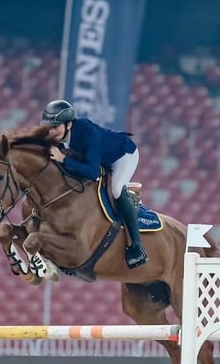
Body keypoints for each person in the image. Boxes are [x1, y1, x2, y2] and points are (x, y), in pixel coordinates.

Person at [41, 99, 148, 269]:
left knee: (116, 189)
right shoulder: (57, 135)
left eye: (55, 127)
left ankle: (136, 247)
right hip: (99, 160)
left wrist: (63, 159)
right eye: (49, 127)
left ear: (69, 125)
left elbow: (93, 173)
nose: (51, 131)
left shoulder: (87, 132)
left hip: (123, 156)